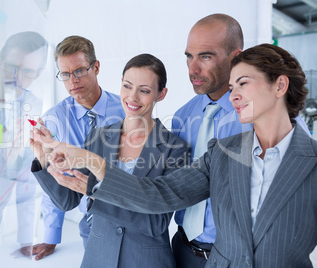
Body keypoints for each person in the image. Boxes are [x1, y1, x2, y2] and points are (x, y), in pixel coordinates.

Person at [43, 43, 317, 268]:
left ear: (280, 86)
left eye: (242, 84)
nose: (233, 97)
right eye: (232, 88)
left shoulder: (311, 160)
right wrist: (80, 163)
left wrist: (94, 169)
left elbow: (154, 219)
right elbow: (158, 194)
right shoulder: (221, 153)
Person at [170, 13, 310, 267]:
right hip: (183, 250)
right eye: (189, 56)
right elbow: (174, 186)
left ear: (236, 57)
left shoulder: (271, 119)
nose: (193, 69)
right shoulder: (182, 117)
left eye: (206, 56)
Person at [30, 53, 190, 267]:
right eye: (127, 86)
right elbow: (67, 201)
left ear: (161, 94)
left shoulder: (175, 149)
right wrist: (44, 157)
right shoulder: (98, 137)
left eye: (144, 90)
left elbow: (155, 223)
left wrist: (96, 194)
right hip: (98, 257)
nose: (132, 98)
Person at [31, 35, 125, 261]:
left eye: (80, 71)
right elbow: (53, 180)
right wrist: (51, 235)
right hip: (92, 222)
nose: (72, 80)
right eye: (65, 74)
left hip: (128, 212)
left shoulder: (125, 109)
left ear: (96, 67)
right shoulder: (54, 119)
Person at [0, 31, 48, 259]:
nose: (17, 78)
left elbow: (28, 173)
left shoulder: (33, 104)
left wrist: (26, 239)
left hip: (13, 202)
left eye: (28, 73)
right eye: (11, 67)